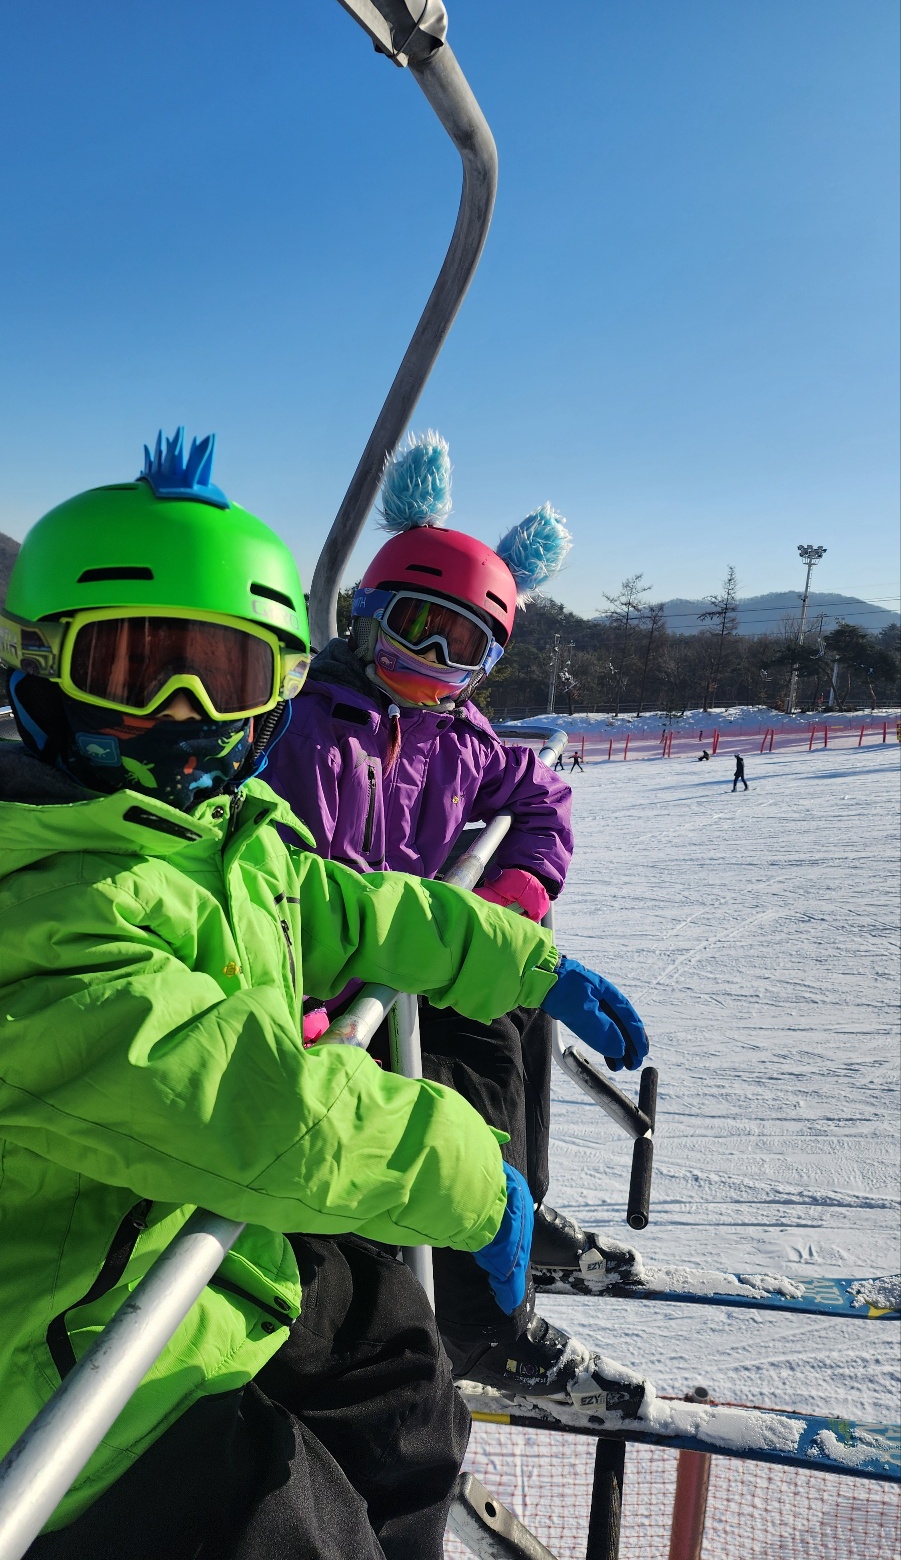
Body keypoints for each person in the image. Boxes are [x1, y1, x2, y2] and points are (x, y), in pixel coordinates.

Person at [0, 430, 648, 1560]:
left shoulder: (219, 832)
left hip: (197, 1240)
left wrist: (518, 957)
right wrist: (467, 1174)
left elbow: (347, 905)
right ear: (39, 662)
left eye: (229, 674)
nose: (184, 710)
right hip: (62, 1346)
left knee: (408, 1408)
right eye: (131, 667)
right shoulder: (38, 897)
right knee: (294, 1527)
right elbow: (242, 1099)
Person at [264, 433, 648, 1415]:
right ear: (364, 617)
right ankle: (481, 1321)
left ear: (487, 666)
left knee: (510, 1021)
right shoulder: (303, 720)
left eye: (459, 647)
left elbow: (544, 796)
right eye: (411, 629)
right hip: (323, 988)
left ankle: (515, 1205)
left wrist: (516, 892)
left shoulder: (462, 737)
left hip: (400, 957)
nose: (427, 662)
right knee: (450, 1080)